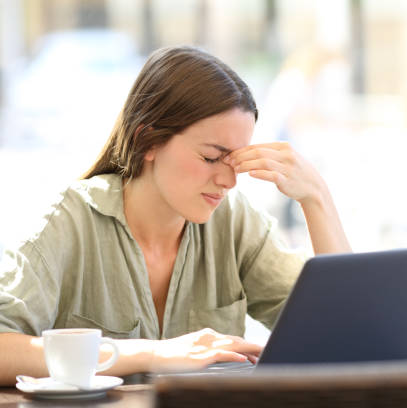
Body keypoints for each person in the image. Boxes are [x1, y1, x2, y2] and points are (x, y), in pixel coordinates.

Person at [0, 45, 351, 385]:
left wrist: (316, 198)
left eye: (235, 161)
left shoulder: (234, 222)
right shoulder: (69, 222)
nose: (228, 181)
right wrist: (151, 353)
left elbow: (343, 336)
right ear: (148, 141)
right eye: (212, 157)